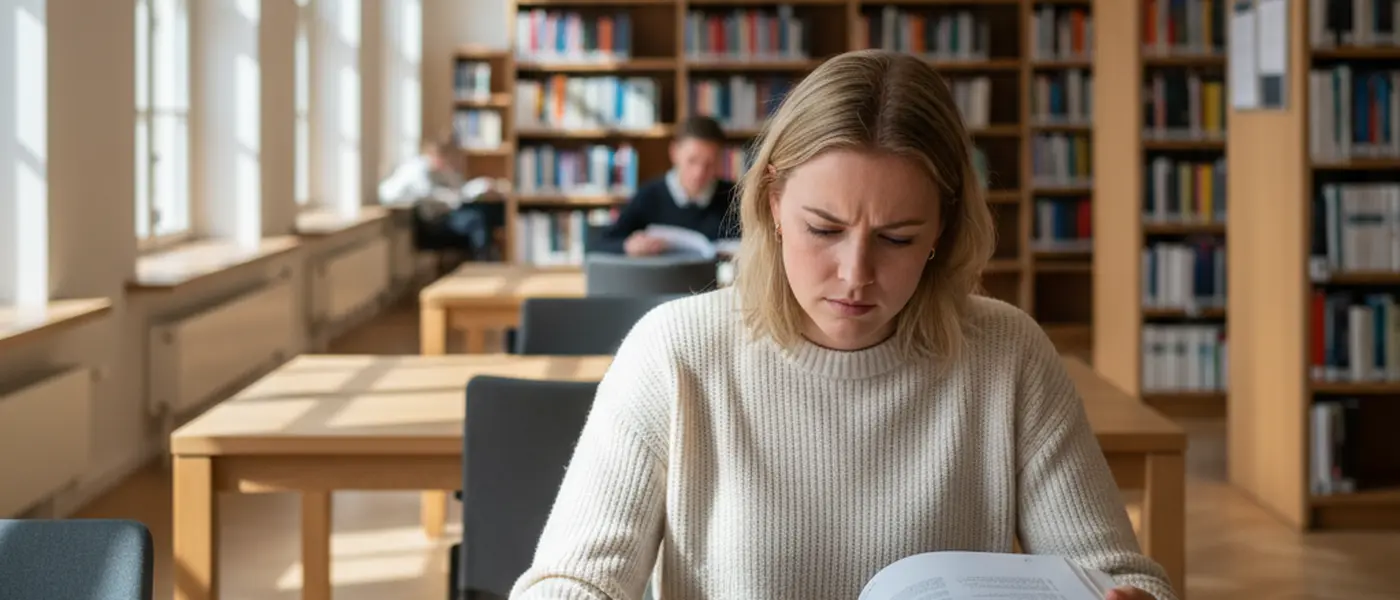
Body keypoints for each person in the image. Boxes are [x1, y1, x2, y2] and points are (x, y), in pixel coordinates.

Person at [509, 50, 1176, 600]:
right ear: (772, 203)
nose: (855, 273)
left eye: (897, 237)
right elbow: (575, 578)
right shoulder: (675, 351)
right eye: (823, 229)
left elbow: (1117, 575)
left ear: (942, 228)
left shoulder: (1008, 354)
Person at [595, 115, 739, 256]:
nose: (699, 172)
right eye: (692, 161)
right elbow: (601, 245)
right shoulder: (648, 197)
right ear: (674, 152)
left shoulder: (734, 197)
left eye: (710, 164)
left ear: (721, 160)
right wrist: (629, 246)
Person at [377, 135, 507, 259]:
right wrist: (457, 195)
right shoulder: (418, 169)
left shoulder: (440, 170)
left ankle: (492, 256)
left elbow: (458, 189)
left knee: (489, 210)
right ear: (435, 155)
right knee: (476, 219)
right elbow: (432, 194)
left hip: (445, 215)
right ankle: (482, 261)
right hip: (432, 224)